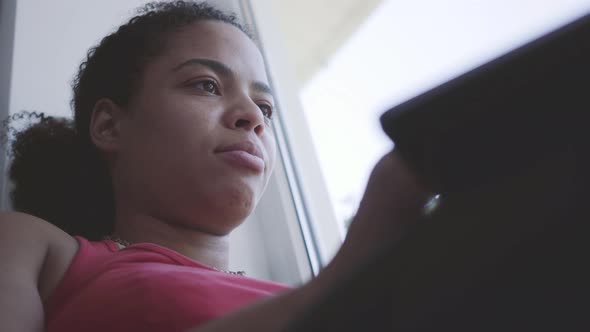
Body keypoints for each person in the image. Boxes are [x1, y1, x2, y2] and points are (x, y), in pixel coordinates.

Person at [0, 1, 430, 331]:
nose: (254, 117)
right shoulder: (34, 245)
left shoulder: (300, 290)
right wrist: (346, 278)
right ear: (110, 125)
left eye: (266, 106)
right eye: (206, 85)